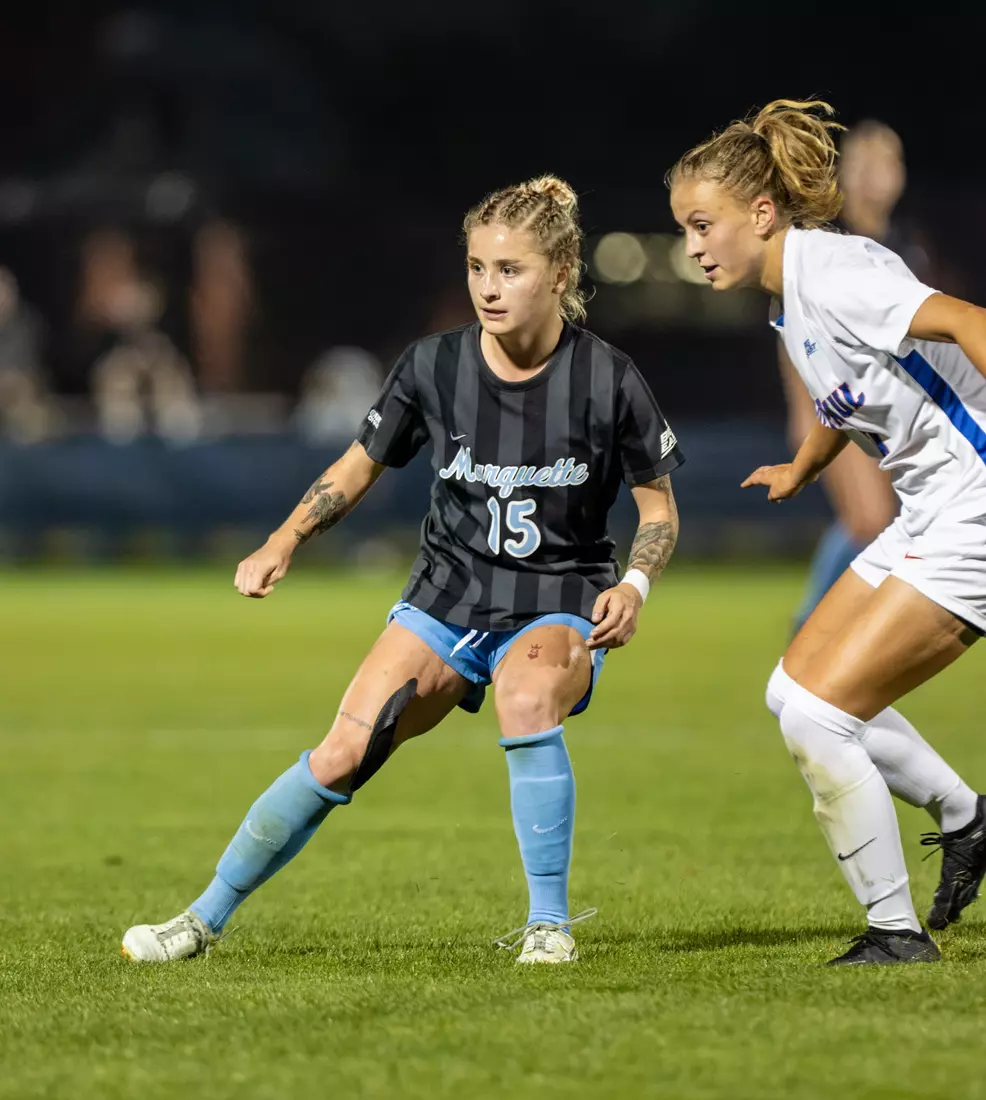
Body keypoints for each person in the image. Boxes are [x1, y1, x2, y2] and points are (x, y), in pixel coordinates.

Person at [121, 175, 684, 966]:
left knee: (525, 698)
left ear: (560, 273)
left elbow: (659, 512)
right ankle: (201, 921)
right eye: (478, 268)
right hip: (446, 600)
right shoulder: (433, 368)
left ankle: (549, 926)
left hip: (557, 601)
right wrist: (283, 540)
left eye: (511, 270)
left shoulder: (608, 379)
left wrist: (635, 585)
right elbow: (359, 465)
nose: (489, 288)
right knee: (340, 755)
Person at [669, 99, 986, 966]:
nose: (693, 247)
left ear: (761, 215)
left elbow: (968, 323)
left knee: (817, 717)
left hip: (974, 512)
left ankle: (894, 934)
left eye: (704, 226)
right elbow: (854, 398)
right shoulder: (792, 292)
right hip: (934, 508)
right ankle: (966, 815)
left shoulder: (837, 273)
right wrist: (806, 465)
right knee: (789, 692)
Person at [783, 121, 924, 632]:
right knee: (868, 520)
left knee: (879, 523)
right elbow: (792, 329)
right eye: (863, 167)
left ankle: (835, 622)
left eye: (886, 165)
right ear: (843, 175)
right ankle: (811, 622)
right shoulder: (829, 241)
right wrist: (805, 411)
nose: (874, 179)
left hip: (889, 412)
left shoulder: (905, 247)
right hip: (835, 407)